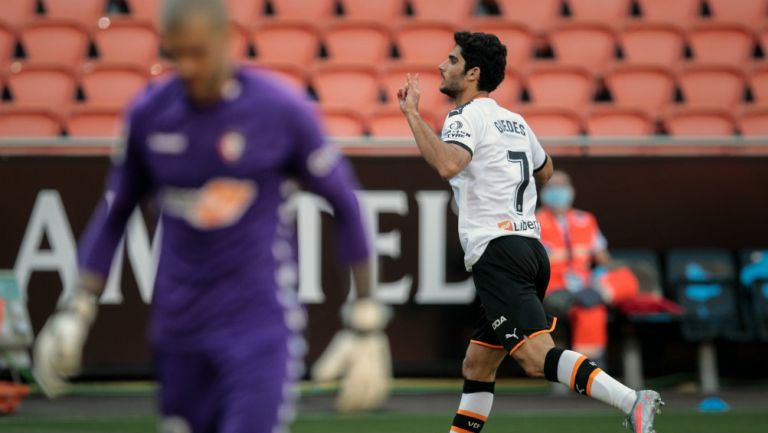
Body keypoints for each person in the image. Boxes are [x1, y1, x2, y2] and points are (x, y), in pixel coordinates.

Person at [32, 1, 390, 432]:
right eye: (174, 53)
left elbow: (346, 204)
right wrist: (77, 307)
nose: (186, 66)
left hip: (256, 326)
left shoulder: (278, 110)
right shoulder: (150, 114)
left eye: (197, 52)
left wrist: (366, 316)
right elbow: (114, 213)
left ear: (227, 41)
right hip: (177, 328)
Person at [397, 31, 663, 433]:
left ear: (472, 73)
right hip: (529, 249)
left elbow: (449, 165)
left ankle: (631, 400)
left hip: (498, 250)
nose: (441, 66)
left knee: (537, 358)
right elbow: (546, 170)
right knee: (478, 363)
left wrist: (413, 116)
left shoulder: (464, 116)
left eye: (451, 60)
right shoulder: (514, 121)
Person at [538, 170, 622, 364]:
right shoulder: (532, 221)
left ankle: (588, 368)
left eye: (562, 186)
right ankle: (589, 370)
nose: (557, 191)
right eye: (552, 186)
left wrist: (610, 272)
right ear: (543, 192)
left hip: (586, 285)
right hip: (555, 289)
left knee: (623, 276)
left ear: (571, 190)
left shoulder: (586, 220)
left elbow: (604, 259)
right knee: (591, 306)